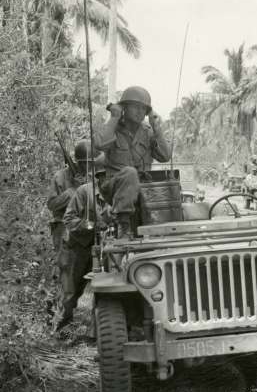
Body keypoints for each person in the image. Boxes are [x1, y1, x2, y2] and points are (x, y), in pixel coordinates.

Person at [94, 86, 171, 238]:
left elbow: (165, 156)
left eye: (144, 109)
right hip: (115, 187)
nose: (140, 112)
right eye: (135, 107)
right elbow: (100, 144)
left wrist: (157, 129)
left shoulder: (148, 133)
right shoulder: (113, 129)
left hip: (142, 189)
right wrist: (114, 117)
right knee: (130, 172)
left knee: (169, 186)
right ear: (124, 108)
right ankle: (123, 225)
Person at [54, 156, 110, 331]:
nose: (109, 182)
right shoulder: (85, 192)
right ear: (98, 177)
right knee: (70, 292)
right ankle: (58, 328)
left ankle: (97, 332)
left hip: (101, 250)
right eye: (105, 177)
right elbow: (68, 219)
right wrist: (92, 225)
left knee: (105, 291)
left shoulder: (117, 196)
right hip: (76, 247)